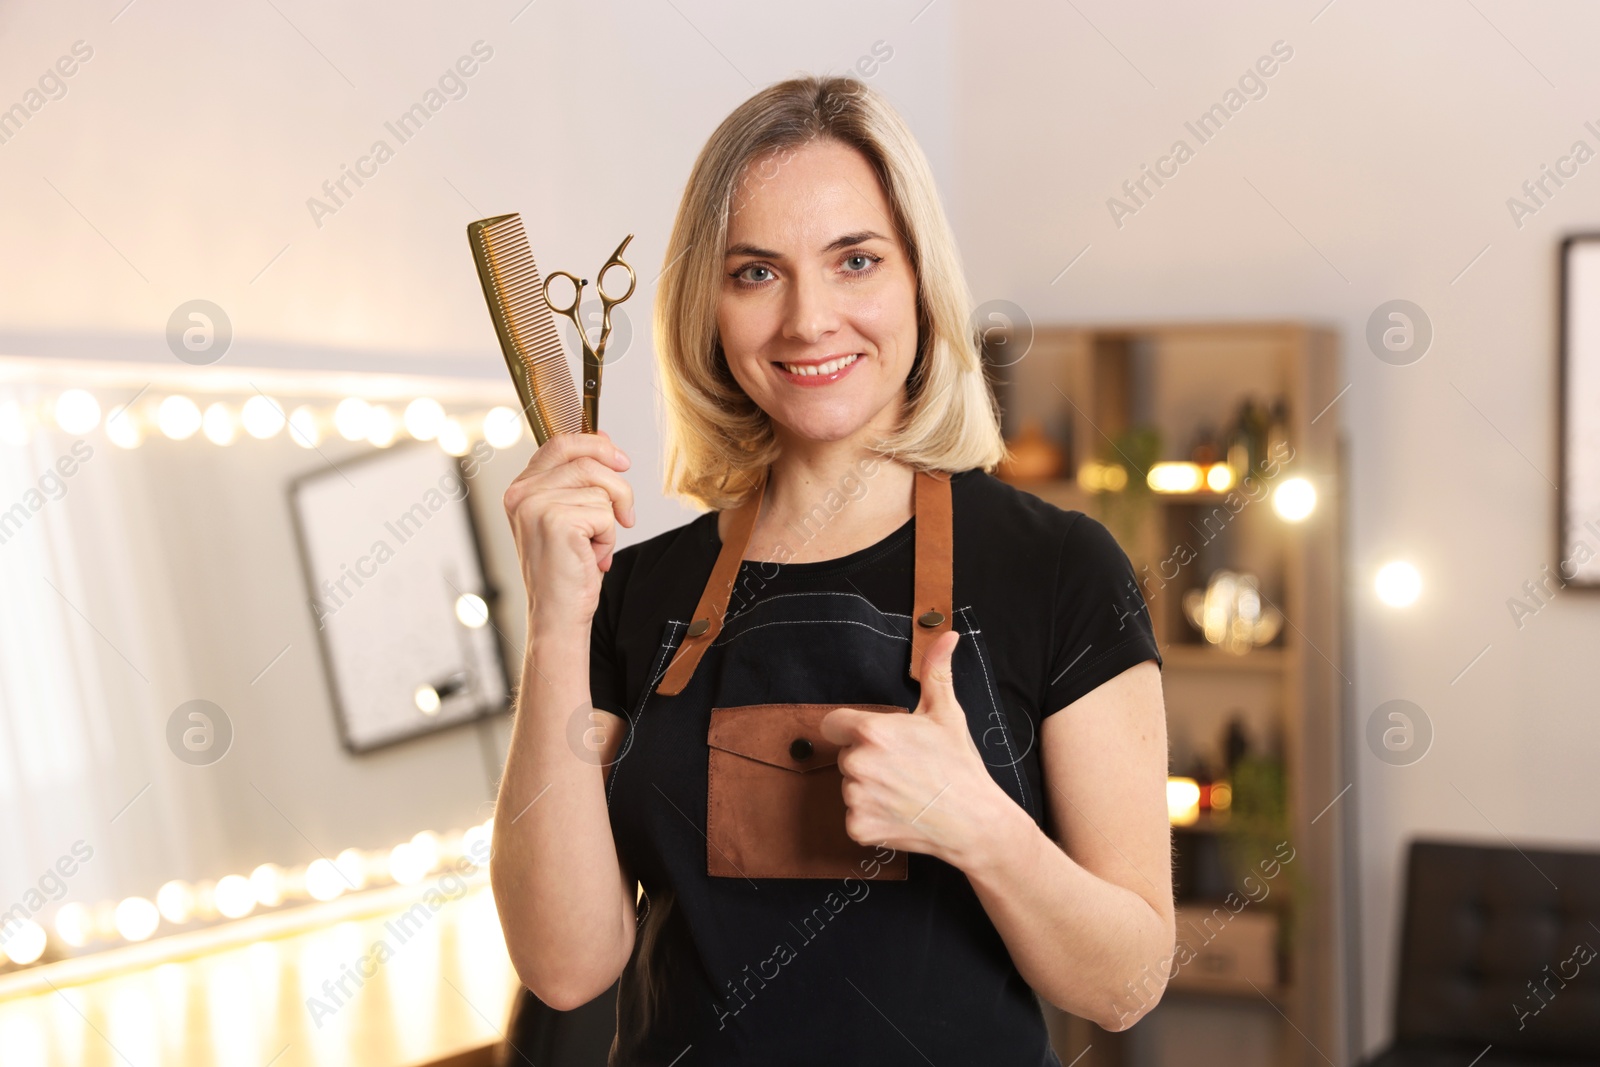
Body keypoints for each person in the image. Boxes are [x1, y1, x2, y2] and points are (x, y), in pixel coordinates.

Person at [493, 74, 1173, 1066]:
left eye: (854, 259)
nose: (809, 318)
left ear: (916, 281)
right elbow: (566, 966)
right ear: (709, 308)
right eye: (755, 272)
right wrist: (557, 618)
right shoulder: (633, 594)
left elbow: (1125, 982)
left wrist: (978, 822)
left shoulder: (1060, 570)